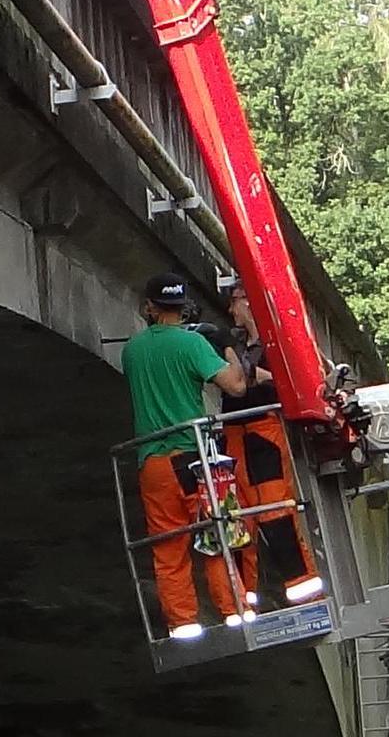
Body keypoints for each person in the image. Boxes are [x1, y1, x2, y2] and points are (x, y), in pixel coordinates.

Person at [124, 273, 251, 639]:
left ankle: (182, 625)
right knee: (216, 534)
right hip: (193, 459)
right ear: (182, 307)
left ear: (149, 307)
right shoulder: (192, 343)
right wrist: (227, 347)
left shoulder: (132, 350)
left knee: (168, 549)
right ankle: (234, 611)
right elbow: (236, 386)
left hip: (152, 462)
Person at [217, 285, 324, 606]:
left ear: (249, 303)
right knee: (238, 521)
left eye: (234, 303)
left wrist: (254, 374)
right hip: (235, 435)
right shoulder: (242, 347)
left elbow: (293, 383)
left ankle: (306, 594)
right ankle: (242, 601)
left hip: (264, 434)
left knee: (276, 514)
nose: (231, 311)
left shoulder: (275, 346)